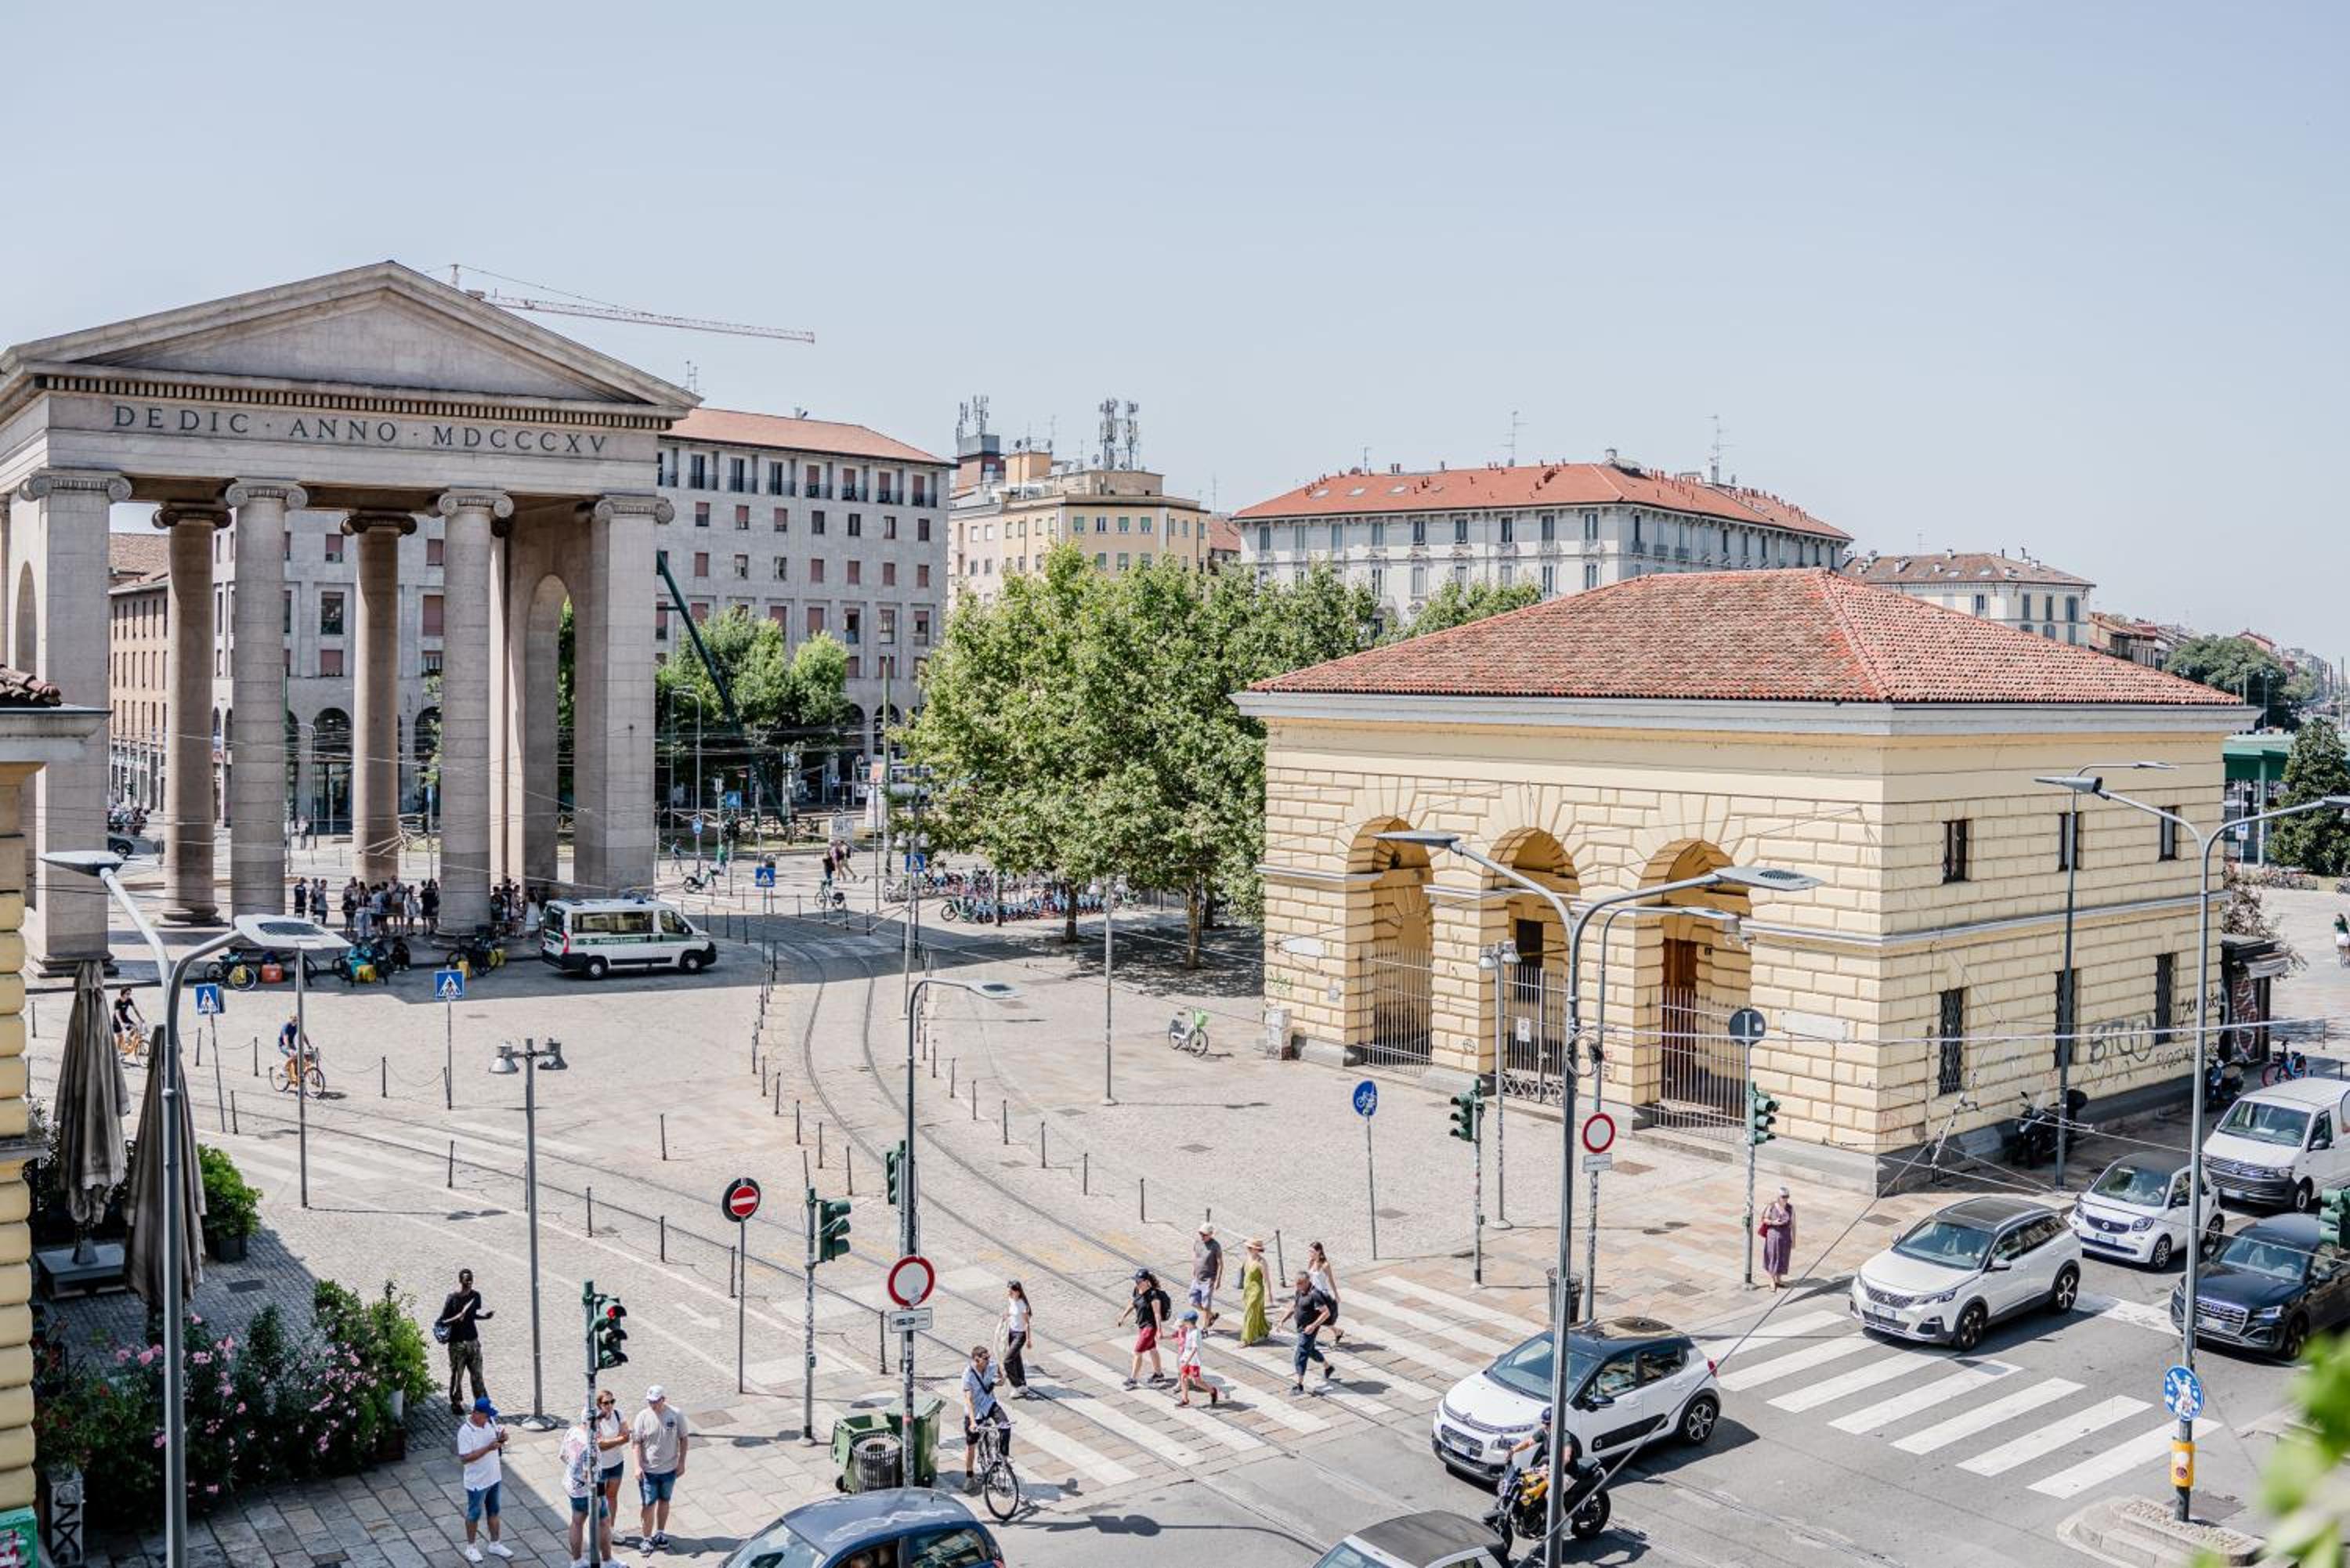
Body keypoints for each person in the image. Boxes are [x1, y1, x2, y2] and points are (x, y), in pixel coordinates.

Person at [630, 1385, 690, 1550]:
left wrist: (682, 1462)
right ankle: (647, 1538)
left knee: (665, 1501)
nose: (652, 1405)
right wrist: (637, 1466)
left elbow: (684, 1439)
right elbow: (636, 1443)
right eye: (650, 1402)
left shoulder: (676, 1414)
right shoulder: (642, 1417)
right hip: (649, 1471)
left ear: (664, 1399)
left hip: (669, 1469)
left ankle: (661, 1533)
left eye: (655, 1402)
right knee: (648, 1504)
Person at [456, 1398, 515, 1563]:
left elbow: (499, 1438)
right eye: (486, 1416)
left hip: (494, 1477)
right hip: (477, 1482)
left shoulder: (489, 1423)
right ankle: (471, 1547)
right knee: (474, 1513)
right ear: (476, 1414)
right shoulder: (465, 1432)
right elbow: (465, 1458)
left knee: (494, 1511)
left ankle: (495, 1544)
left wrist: (503, 1437)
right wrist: (488, 1448)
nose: (489, 1419)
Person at [560, 1407, 620, 1567]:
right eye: (598, 1421)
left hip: (572, 1483)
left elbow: (563, 1456)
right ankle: (607, 1560)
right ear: (592, 1423)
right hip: (588, 1489)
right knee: (604, 1521)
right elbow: (590, 1476)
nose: (601, 1423)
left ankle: (577, 1560)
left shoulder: (572, 1432)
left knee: (577, 1521)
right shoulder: (590, 1445)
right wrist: (598, 1497)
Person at [1482, 1407, 1552, 1530]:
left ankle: (1557, 1524)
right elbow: (1529, 1442)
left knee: (1550, 1495)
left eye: (1548, 1423)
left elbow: (1565, 1458)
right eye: (1544, 1422)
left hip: (1563, 1469)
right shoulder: (1544, 1432)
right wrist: (1513, 1450)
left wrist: (1549, 1469)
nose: (1545, 1425)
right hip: (1546, 1464)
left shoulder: (1563, 1437)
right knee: (1524, 1481)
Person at [438, 1268, 495, 1414]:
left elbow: (473, 1315)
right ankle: (456, 1403)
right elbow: (442, 1321)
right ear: (460, 1281)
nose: (469, 1282)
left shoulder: (476, 1297)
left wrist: (485, 1317)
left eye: (471, 1279)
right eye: (466, 1280)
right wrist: (457, 1317)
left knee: (477, 1375)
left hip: (473, 1342)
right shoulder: (452, 1299)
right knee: (457, 1375)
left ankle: (482, 1405)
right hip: (457, 1344)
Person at [960, 1344, 1011, 1491]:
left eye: (989, 1357)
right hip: (974, 1411)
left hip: (989, 1404)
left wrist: (1002, 1378)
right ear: (976, 1360)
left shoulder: (991, 1366)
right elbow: (968, 1400)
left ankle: (1003, 1458)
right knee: (971, 1445)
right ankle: (969, 1476)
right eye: (985, 1358)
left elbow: (1000, 1375)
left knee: (1005, 1426)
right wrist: (972, 1422)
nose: (989, 1360)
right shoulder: (968, 1375)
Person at [1117, 1269, 1170, 1389]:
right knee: (1152, 1349)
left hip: (1150, 1327)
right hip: (1142, 1325)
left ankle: (1133, 1379)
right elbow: (1133, 1303)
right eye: (1136, 1280)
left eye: (1139, 1281)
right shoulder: (1137, 1289)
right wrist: (1123, 1317)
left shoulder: (1153, 1295)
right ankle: (1158, 1374)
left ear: (1147, 1281)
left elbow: (1157, 1314)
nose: (1137, 1283)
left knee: (1137, 1352)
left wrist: (1160, 1330)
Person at [1290, 1272, 1336, 1393]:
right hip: (1301, 1328)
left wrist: (1313, 1325)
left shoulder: (1314, 1294)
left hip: (1309, 1330)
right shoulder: (1299, 1291)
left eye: (1300, 1284)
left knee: (1301, 1354)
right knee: (1310, 1351)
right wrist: (1282, 1320)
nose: (1297, 1286)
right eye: (1296, 1283)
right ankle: (1328, 1367)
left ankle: (1299, 1385)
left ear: (1307, 1282)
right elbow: (1294, 1307)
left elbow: (1326, 1313)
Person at [593, 1389, 630, 1529]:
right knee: (600, 1499)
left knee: (612, 1496)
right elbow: (599, 1445)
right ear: (599, 1404)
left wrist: (610, 1442)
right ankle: (599, 1529)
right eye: (606, 1403)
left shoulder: (618, 1414)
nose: (609, 1405)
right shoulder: (596, 1420)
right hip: (601, 1467)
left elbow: (626, 1437)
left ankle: (610, 1529)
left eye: (612, 1401)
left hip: (616, 1464)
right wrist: (618, 1440)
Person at [1172, 1309, 1219, 1407]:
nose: (1183, 1322)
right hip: (1186, 1359)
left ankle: (1212, 1390)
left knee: (1197, 1382)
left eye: (1185, 1321)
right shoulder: (1189, 1329)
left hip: (1194, 1362)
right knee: (1183, 1377)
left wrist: (1187, 1362)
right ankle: (1185, 1399)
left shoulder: (1195, 1333)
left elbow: (1194, 1349)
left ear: (1189, 1322)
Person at [1307, 1241, 1344, 1346]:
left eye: (1312, 1252)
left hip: (1321, 1295)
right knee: (1316, 1318)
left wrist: (1336, 1295)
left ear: (1319, 1251)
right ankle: (1337, 1331)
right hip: (1312, 1293)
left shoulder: (1325, 1265)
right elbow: (1309, 1277)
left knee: (1317, 1318)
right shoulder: (1311, 1261)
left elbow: (1331, 1280)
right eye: (1309, 1251)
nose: (1310, 1253)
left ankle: (1311, 1340)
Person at [1760, 1186, 1796, 1289]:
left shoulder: (1791, 1208)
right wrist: (1773, 1222)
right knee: (1773, 1257)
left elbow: (1793, 1225)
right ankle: (1772, 1280)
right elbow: (1764, 1219)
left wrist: (1794, 1240)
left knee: (1783, 1258)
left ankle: (1779, 1279)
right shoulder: (1772, 1206)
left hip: (1785, 1238)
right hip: (1773, 1237)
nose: (1786, 1199)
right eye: (1783, 1196)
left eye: (1787, 1196)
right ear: (1778, 1197)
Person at [1002, 1281, 1033, 1398]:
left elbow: (1027, 1324)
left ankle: (1016, 1386)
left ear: (1018, 1292)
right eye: (1009, 1290)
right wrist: (1007, 1315)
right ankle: (1023, 1384)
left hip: (1020, 1335)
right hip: (1011, 1332)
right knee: (1016, 1359)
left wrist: (1029, 1340)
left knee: (1008, 1361)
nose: (1009, 1293)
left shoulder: (1022, 1305)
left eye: (1011, 1291)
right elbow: (1012, 1311)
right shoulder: (1011, 1300)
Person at [1238, 1238, 1272, 1346]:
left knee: (1249, 1314)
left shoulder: (1262, 1262)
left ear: (1257, 1250)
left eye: (1250, 1248)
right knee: (1258, 1313)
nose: (1248, 1249)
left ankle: (1246, 1339)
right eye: (1248, 1247)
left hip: (1256, 1292)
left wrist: (1269, 1293)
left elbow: (1266, 1279)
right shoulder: (1247, 1258)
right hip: (1247, 1290)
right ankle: (1264, 1329)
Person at [1191, 1223, 1224, 1332]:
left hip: (1208, 1280)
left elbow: (1220, 1263)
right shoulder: (1197, 1242)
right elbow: (1195, 1255)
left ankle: (1204, 1328)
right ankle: (1212, 1315)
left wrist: (1218, 1280)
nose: (1202, 1236)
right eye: (1200, 1233)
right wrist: (1194, 1269)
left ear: (1210, 1234)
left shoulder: (1215, 1246)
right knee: (1193, 1301)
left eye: (1204, 1234)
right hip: (1197, 1278)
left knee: (1206, 1305)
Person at [111, 987, 144, 1060]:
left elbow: (135, 1010)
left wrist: (141, 1018)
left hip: (125, 1017)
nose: (129, 995)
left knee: (136, 1027)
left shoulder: (129, 1000)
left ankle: (128, 1039)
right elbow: (117, 1014)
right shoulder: (117, 1001)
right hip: (117, 1020)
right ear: (123, 994)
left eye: (130, 994)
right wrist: (122, 1023)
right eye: (128, 994)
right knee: (120, 1037)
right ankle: (119, 1053)